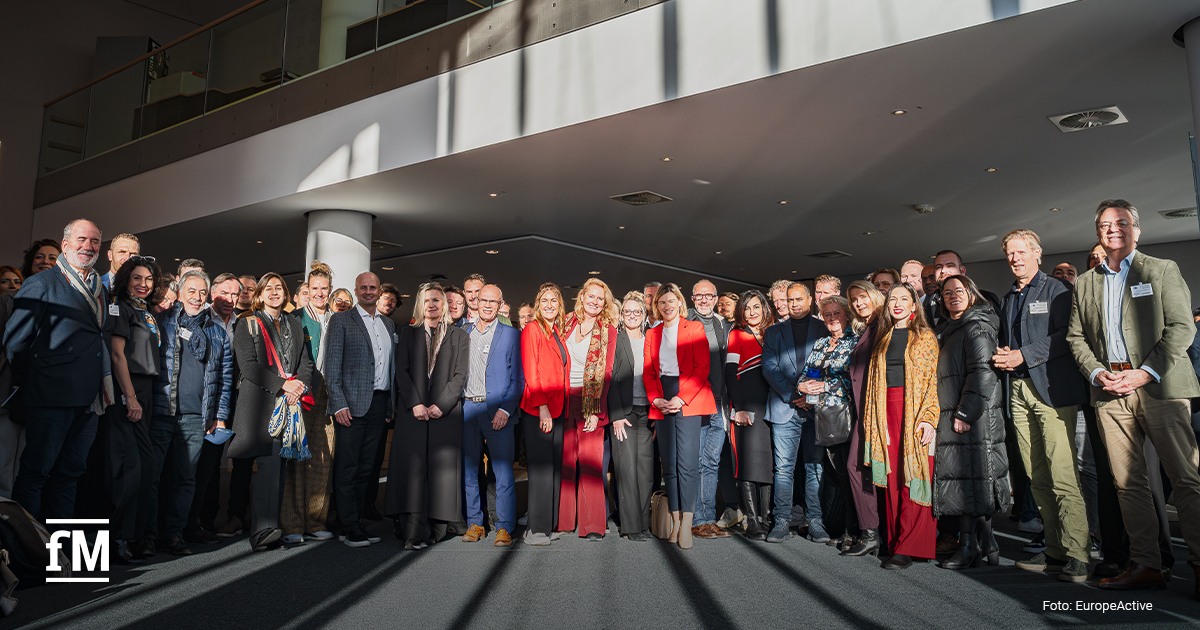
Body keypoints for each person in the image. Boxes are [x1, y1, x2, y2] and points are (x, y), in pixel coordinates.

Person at [1067, 199, 1200, 594]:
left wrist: (1144, 372)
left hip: (1159, 386)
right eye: (1105, 225)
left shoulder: (1160, 270)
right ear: (1098, 234)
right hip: (1109, 392)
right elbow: (1075, 337)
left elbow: (1180, 327)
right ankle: (1147, 565)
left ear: (1136, 230)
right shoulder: (1086, 282)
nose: (1113, 229)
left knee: (1187, 478)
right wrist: (1096, 372)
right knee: (1128, 484)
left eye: (1121, 223)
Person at [993, 229, 1091, 582]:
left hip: (1050, 393)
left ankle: (1078, 554)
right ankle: (1054, 551)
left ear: (1037, 253)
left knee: (1062, 474)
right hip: (1018, 391)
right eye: (1010, 254)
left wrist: (1023, 354)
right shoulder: (1009, 298)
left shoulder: (1057, 290)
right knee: (1036, 478)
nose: (1015, 259)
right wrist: (1007, 355)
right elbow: (1017, 341)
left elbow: (1067, 337)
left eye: (1021, 252)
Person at [5, 219, 111, 523]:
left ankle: (58, 554)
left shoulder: (99, 288)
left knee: (69, 475)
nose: (88, 247)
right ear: (65, 245)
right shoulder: (41, 282)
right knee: (35, 475)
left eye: (94, 242)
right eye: (81, 240)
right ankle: (28, 554)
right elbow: (16, 342)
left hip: (90, 402)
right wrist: (38, 378)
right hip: (50, 397)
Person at [145, 270, 234, 557]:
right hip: (161, 413)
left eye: (202, 293)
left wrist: (218, 416)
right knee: (153, 476)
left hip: (197, 417)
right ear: (180, 293)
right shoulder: (161, 323)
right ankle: (146, 534)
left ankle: (174, 534)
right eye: (191, 291)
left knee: (186, 479)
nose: (197, 298)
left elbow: (224, 379)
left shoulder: (217, 332)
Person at [227, 274, 315, 552]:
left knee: (277, 467)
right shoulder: (248, 323)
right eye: (269, 289)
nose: (274, 292)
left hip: (289, 403)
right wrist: (283, 385)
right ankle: (262, 530)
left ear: (287, 294)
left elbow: (306, 362)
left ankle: (270, 528)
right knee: (264, 464)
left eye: (279, 288)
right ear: (260, 295)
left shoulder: (295, 323)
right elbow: (249, 366)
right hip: (259, 406)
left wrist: (298, 387)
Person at [932, 275, 1012, 570]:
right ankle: (987, 542)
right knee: (971, 477)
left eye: (959, 291)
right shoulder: (948, 328)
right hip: (956, 411)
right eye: (947, 292)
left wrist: (965, 413)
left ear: (972, 293)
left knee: (969, 480)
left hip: (972, 416)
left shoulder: (976, 326)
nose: (953, 296)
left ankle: (968, 547)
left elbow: (982, 374)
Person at [385, 283, 469, 549]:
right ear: (420, 305)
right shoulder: (407, 333)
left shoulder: (459, 336)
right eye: (426, 300)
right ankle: (414, 533)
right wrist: (416, 404)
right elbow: (401, 371)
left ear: (444, 304)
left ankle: (438, 528)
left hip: (445, 414)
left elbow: (460, 376)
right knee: (413, 471)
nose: (431, 305)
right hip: (415, 413)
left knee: (440, 473)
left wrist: (442, 404)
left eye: (436, 300)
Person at [862, 284, 940, 569]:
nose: (897, 303)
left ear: (914, 305)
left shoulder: (925, 337)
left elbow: (932, 381)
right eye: (892, 299)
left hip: (914, 412)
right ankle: (896, 542)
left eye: (903, 299)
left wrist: (929, 418)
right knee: (892, 480)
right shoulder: (882, 338)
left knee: (914, 475)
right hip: (884, 413)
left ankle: (909, 546)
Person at [324, 272, 395, 548]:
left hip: (379, 405)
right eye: (363, 287)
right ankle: (348, 526)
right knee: (347, 467)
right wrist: (338, 403)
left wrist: (389, 406)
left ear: (379, 291)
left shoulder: (388, 324)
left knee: (368, 469)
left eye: (373, 287)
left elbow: (389, 369)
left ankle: (358, 522)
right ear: (356, 290)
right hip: (350, 406)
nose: (368, 291)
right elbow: (332, 366)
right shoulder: (342, 320)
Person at [644, 283, 716, 549]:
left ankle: (687, 522)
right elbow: (648, 371)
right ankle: (674, 521)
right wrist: (656, 398)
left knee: (687, 464)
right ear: (657, 306)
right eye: (662, 302)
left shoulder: (694, 328)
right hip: (662, 397)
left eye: (671, 301)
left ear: (680, 302)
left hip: (689, 397)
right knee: (670, 465)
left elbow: (702, 368)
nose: (667, 306)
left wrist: (680, 397)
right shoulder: (653, 333)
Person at [105, 256, 164, 563]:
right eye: (137, 278)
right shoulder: (119, 307)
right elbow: (117, 356)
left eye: (149, 279)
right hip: (127, 390)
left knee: (146, 466)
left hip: (147, 392)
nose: (143, 284)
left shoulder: (149, 312)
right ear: (126, 278)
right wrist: (130, 397)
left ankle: (133, 536)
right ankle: (117, 539)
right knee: (129, 468)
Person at [761, 282, 829, 543]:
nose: (794, 304)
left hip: (817, 410)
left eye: (799, 299)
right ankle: (781, 521)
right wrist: (794, 393)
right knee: (784, 469)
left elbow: (829, 368)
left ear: (810, 300)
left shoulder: (824, 328)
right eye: (790, 300)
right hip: (785, 407)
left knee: (815, 468)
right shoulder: (774, 331)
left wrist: (811, 394)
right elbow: (769, 368)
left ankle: (815, 522)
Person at [461, 284, 523, 547]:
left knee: (502, 472)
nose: (486, 305)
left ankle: (504, 526)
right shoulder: (462, 333)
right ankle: (475, 523)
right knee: (469, 470)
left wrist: (505, 409)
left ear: (500, 305)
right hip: (467, 409)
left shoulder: (511, 335)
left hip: (498, 411)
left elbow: (518, 379)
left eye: (492, 301)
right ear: (475, 301)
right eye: (482, 300)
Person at [796, 295, 859, 547]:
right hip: (817, 416)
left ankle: (852, 529)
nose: (832, 318)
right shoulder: (821, 343)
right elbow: (806, 370)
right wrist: (802, 385)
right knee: (828, 475)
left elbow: (855, 380)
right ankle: (833, 525)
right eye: (827, 315)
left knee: (846, 473)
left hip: (843, 416)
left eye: (837, 313)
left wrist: (825, 386)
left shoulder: (855, 342)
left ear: (847, 315)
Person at [558, 279, 618, 540]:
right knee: (566, 462)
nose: (594, 301)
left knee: (592, 464)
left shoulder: (608, 330)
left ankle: (593, 525)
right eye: (590, 296)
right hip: (563, 399)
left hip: (590, 401)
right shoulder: (567, 322)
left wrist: (596, 409)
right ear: (581, 297)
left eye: (600, 298)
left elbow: (607, 372)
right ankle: (563, 521)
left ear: (605, 303)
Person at [281, 261, 336, 545]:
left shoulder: (338, 318)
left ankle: (315, 521)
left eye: (324, 288)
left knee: (323, 458)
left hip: (330, 394)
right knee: (296, 456)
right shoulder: (295, 318)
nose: (319, 293)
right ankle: (292, 523)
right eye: (314, 288)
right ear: (306, 289)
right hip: (302, 393)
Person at [519, 283, 569, 546]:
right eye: (545, 300)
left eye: (554, 300)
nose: (550, 305)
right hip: (539, 410)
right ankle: (536, 530)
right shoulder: (532, 329)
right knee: (540, 469)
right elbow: (531, 372)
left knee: (553, 469)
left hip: (557, 410)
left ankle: (548, 525)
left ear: (560, 305)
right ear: (538, 304)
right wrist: (543, 409)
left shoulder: (555, 332)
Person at [725, 290, 776, 541]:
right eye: (747, 308)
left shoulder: (772, 333)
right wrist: (738, 409)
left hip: (771, 406)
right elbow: (730, 373)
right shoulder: (737, 334)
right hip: (747, 408)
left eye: (757, 307)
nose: (753, 312)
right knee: (747, 463)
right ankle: (752, 521)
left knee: (768, 465)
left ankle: (767, 518)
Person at [841, 281, 886, 557]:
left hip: (877, 409)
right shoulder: (867, 326)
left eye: (863, 297)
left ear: (875, 296)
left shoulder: (883, 324)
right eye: (854, 300)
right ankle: (871, 532)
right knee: (859, 468)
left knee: (860, 467)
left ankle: (875, 532)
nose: (859, 303)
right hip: (862, 409)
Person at [687, 280, 734, 539]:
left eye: (709, 296)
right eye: (699, 296)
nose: (704, 300)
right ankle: (695, 519)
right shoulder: (685, 323)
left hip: (719, 404)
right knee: (696, 461)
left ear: (716, 299)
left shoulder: (722, 325)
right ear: (692, 298)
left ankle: (708, 517)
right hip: (696, 402)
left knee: (712, 462)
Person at [609, 292, 654, 541]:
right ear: (622, 315)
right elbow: (610, 380)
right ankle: (630, 526)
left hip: (647, 412)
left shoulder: (651, 339)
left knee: (645, 470)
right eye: (628, 312)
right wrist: (615, 415)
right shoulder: (615, 340)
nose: (632, 316)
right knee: (626, 469)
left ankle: (643, 522)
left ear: (644, 315)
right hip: (624, 414)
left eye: (637, 312)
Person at [926, 250, 1001, 327]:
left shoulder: (986, 298)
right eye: (938, 267)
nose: (943, 270)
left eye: (950, 266)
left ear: (962, 271)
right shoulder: (929, 303)